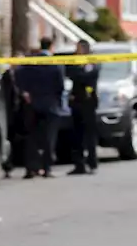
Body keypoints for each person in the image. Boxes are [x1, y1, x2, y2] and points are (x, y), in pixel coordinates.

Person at [13, 38, 65, 179]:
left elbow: (17, 73)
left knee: (32, 138)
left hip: (32, 104)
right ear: (51, 47)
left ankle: (31, 168)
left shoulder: (31, 62)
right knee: (49, 138)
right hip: (51, 104)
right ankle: (47, 168)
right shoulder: (55, 64)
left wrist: (24, 91)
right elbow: (60, 85)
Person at [65, 40, 101, 175]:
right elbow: (69, 72)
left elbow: (90, 76)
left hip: (88, 101)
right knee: (76, 135)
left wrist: (80, 74)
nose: (77, 50)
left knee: (90, 135)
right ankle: (79, 164)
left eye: (79, 48)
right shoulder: (74, 61)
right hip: (76, 101)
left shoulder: (92, 61)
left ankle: (92, 163)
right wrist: (79, 73)